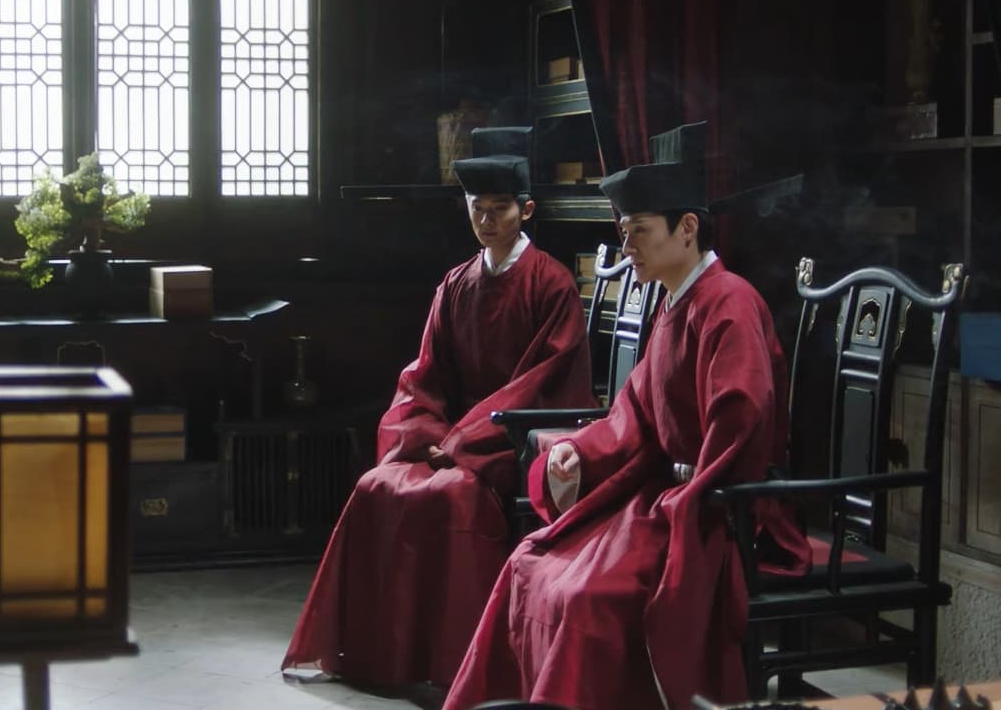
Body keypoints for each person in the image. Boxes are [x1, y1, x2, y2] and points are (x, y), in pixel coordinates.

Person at [443, 160, 812, 710]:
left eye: (639, 230)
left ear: (687, 228)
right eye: (623, 231)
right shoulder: (676, 301)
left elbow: (741, 423)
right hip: (668, 496)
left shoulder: (728, 304)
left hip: (720, 508)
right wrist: (575, 451)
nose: (627, 245)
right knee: (530, 563)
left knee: (587, 595)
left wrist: (687, 502)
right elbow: (634, 413)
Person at [281, 147, 598, 695]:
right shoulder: (456, 283)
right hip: (450, 438)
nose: (487, 220)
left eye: (500, 208)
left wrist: (463, 441)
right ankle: (380, 658)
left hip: (511, 437)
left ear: (526, 210)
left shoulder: (551, 284)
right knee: (377, 487)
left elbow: (543, 382)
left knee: (452, 498)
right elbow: (424, 374)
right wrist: (427, 434)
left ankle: (461, 665)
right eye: (478, 208)